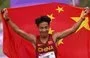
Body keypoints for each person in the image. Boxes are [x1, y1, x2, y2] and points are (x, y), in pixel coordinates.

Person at [1, 7, 89, 58]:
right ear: (38, 28)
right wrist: (8, 19)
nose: (44, 30)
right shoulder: (34, 39)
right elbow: (18, 31)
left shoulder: (55, 37)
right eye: (42, 28)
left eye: (46, 27)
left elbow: (72, 29)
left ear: (49, 27)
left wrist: (82, 17)